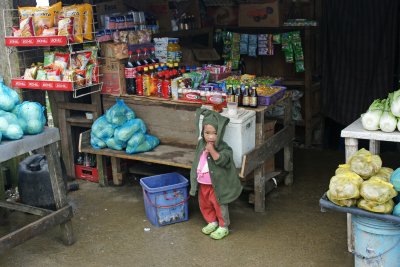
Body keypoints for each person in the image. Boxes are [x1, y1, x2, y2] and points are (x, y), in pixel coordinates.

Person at [190, 108, 243, 240]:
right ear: (203, 132)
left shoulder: (224, 148)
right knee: (204, 204)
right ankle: (211, 221)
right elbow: (197, 161)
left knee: (219, 205)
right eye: (207, 133)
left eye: (215, 133)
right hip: (203, 184)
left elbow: (223, 160)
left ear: (220, 133)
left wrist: (212, 150)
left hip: (216, 186)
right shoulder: (201, 144)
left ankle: (223, 226)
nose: (211, 136)